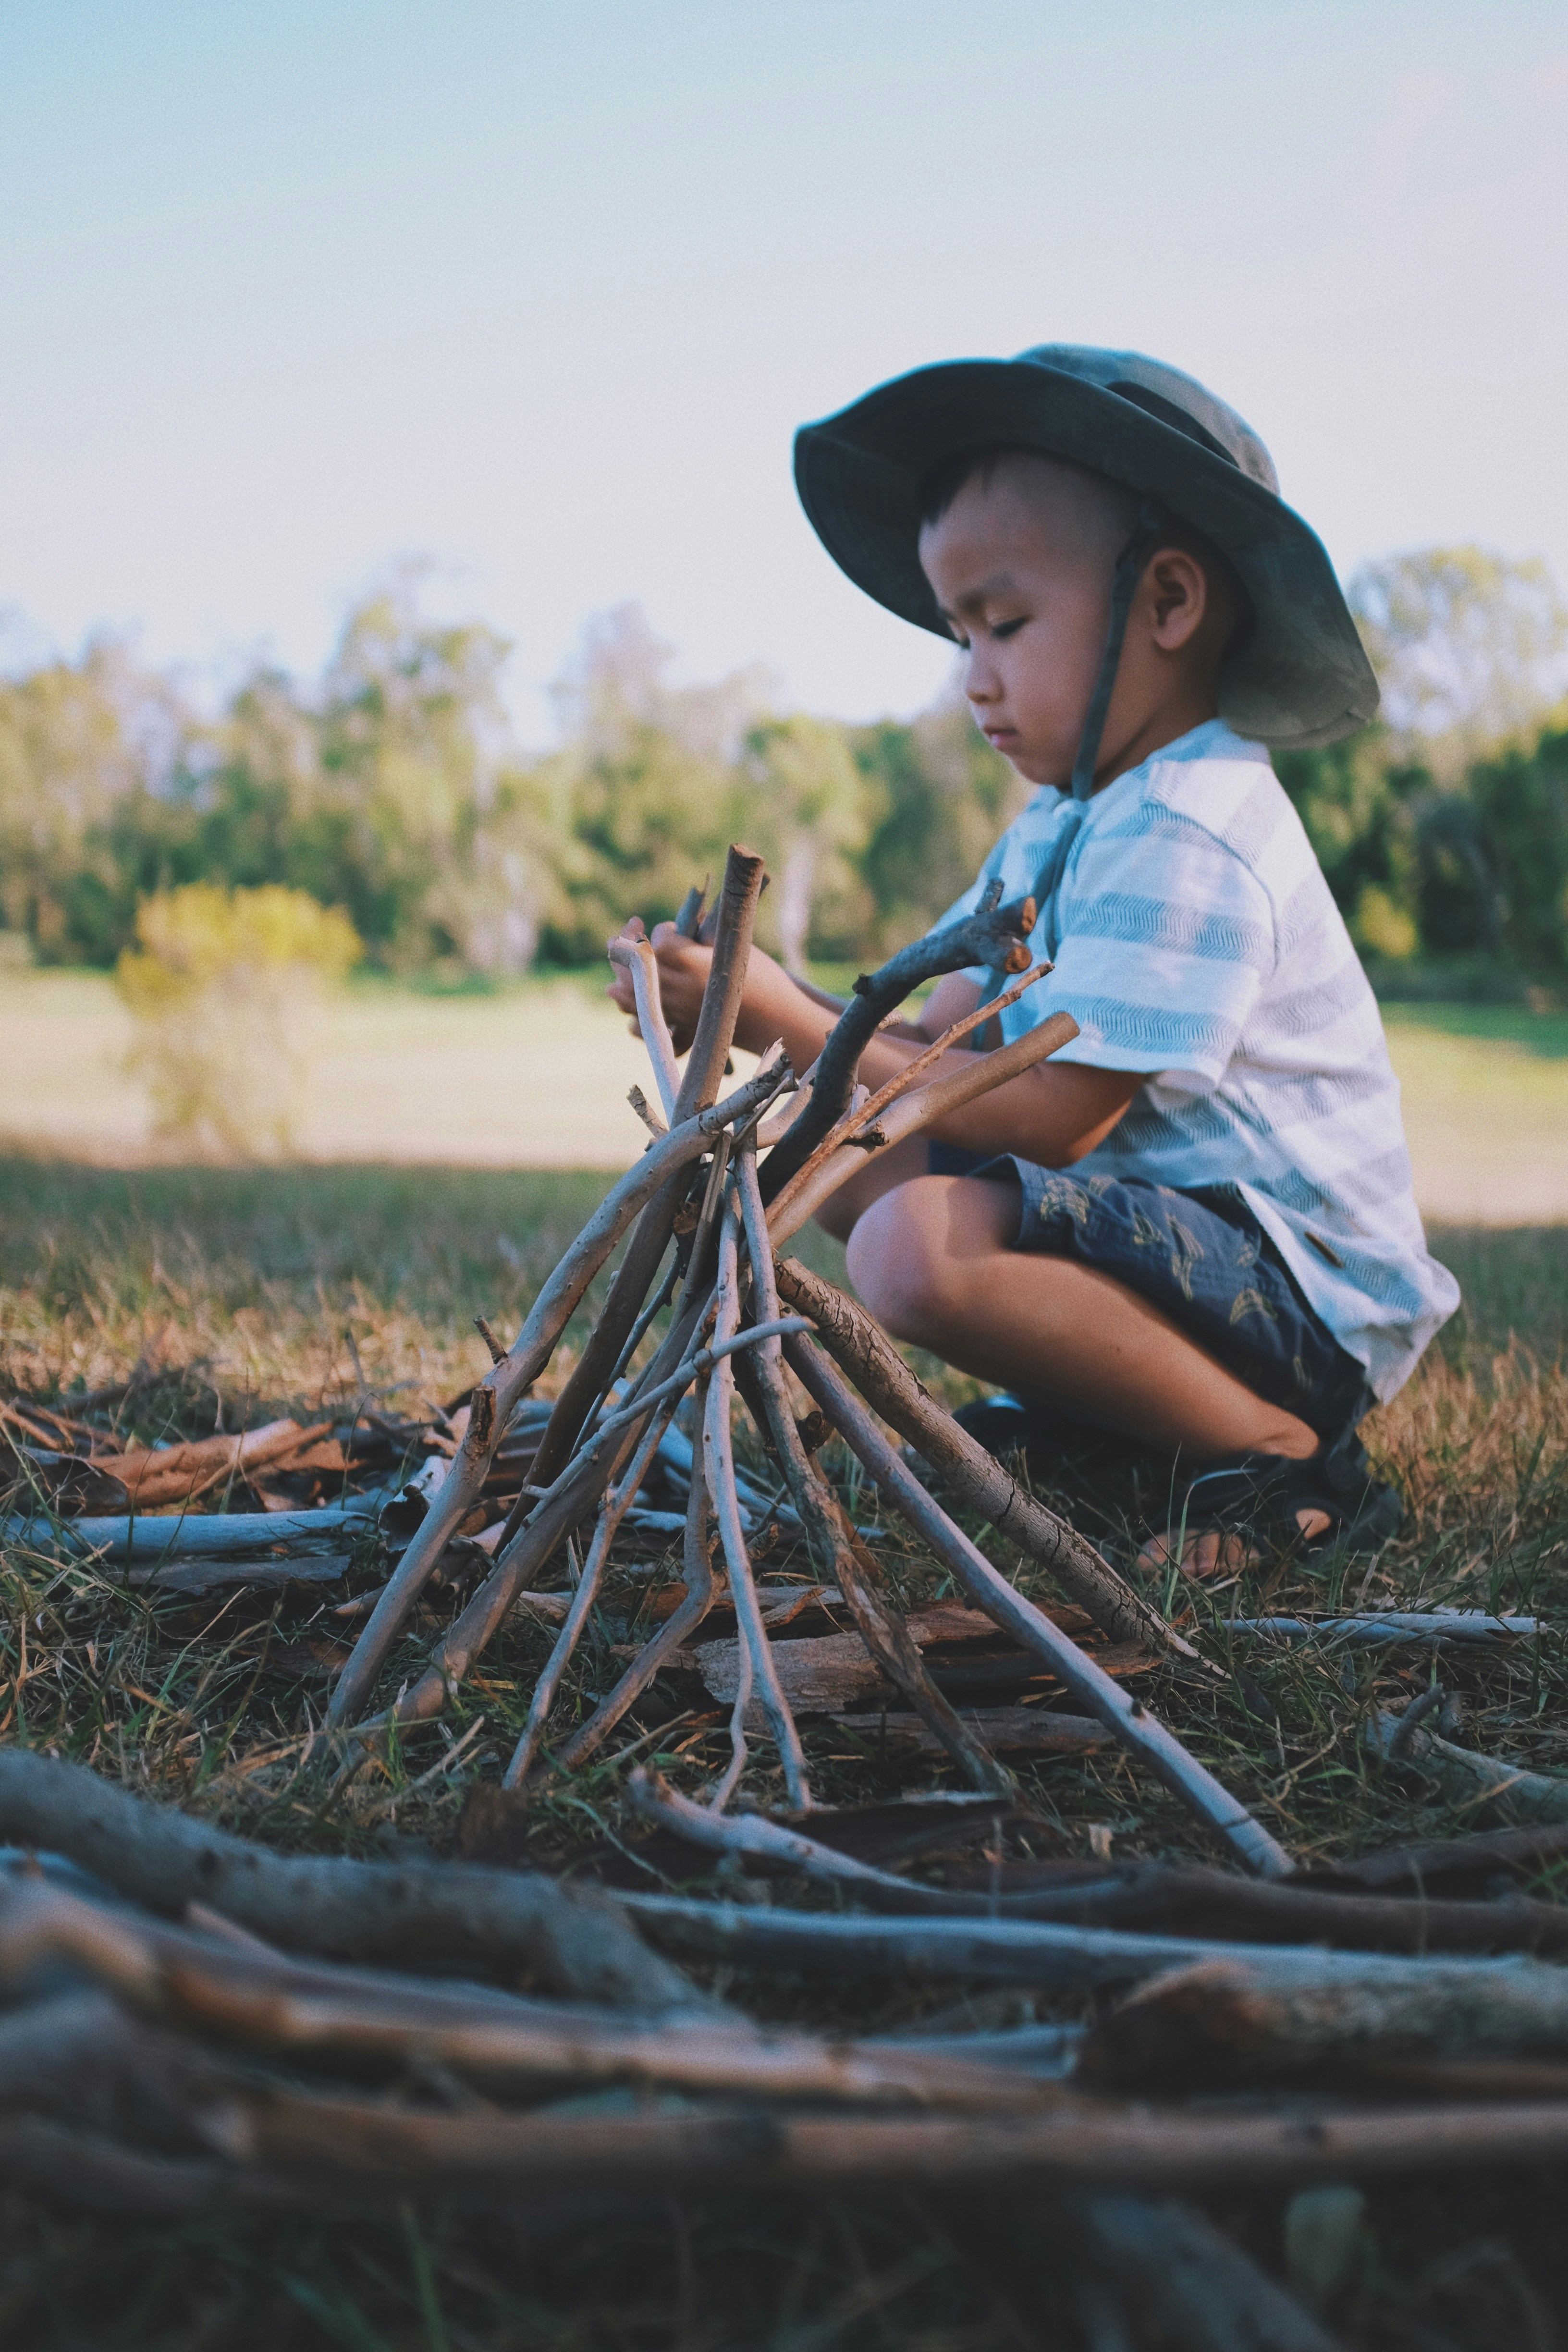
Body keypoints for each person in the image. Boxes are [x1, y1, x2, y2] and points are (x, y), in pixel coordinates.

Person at [607, 344, 1458, 1570]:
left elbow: (1059, 1115)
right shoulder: (1063, 824)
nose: (973, 678)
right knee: (850, 1166)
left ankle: (1277, 1458)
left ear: (1168, 606)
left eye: (1005, 624)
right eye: (961, 633)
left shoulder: (1192, 822)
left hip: (1300, 1292)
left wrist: (778, 1010)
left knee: (912, 1245)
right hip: (1187, 1247)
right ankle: (1127, 1433)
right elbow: (935, 1034)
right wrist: (744, 1003)